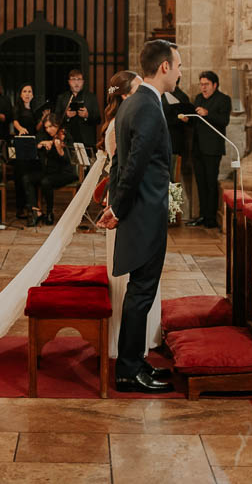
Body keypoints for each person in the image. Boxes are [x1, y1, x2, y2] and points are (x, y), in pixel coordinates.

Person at [98, 39, 181, 393]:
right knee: (142, 291)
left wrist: (116, 202)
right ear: (164, 67)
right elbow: (133, 165)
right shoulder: (147, 105)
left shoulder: (133, 103)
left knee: (140, 290)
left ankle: (134, 361)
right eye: (178, 66)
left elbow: (119, 163)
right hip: (145, 212)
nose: (180, 72)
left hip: (138, 209)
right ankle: (129, 371)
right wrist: (117, 206)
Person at [98, 70, 163, 360]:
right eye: (136, 88)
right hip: (130, 203)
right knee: (134, 283)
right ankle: (128, 359)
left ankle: (135, 353)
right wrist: (118, 207)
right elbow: (126, 168)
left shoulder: (128, 114)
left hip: (130, 201)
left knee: (139, 284)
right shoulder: (131, 116)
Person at [189, 71, 232, 229]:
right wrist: (188, 118)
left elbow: (224, 121)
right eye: (201, 84)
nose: (203, 88)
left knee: (210, 183)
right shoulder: (199, 99)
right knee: (200, 183)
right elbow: (195, 122)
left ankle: (211, 218)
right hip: (198, 148)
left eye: (206, 84)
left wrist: (208, 113)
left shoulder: (223, 100)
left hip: (213, 149)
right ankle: (202, 215)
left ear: (215, 85)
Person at [23, 112, 77, 228]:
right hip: (49, 171)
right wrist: (41, 144)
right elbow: (34, 146)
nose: (48, 130)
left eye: (51, 127)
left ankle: (49, 212)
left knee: (46, 182)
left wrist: (59, 150)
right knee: (27, 178)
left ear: (57, 125)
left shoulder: (66, 136)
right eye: (46, 127)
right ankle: (35, 211)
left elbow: (69, 160)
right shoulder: (43, 135)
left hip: (65, 172)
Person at [10, 83, 44, 219]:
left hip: (33, 143)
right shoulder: (17, 107)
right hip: (22, 142)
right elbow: (15, 121)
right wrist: (20, 129)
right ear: (21, 94)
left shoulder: (35, 109)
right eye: (25, 91)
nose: (27, 94)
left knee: (31, 175)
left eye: (30, 91)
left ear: (33, 94)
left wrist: (43, 119)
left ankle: (32, 206)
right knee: (20, 175)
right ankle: (20, 208)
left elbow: (37, 127)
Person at [54, 69, 101, 147]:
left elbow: (98, 119)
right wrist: (67, 116)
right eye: (73, 79)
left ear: (83, 81)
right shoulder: (62, 97)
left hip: (87, 140)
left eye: (79, 79)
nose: (76, 82)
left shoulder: (91, 97)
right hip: (67, 139)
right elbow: (56, 119)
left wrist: (87, 116)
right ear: (69, 82)